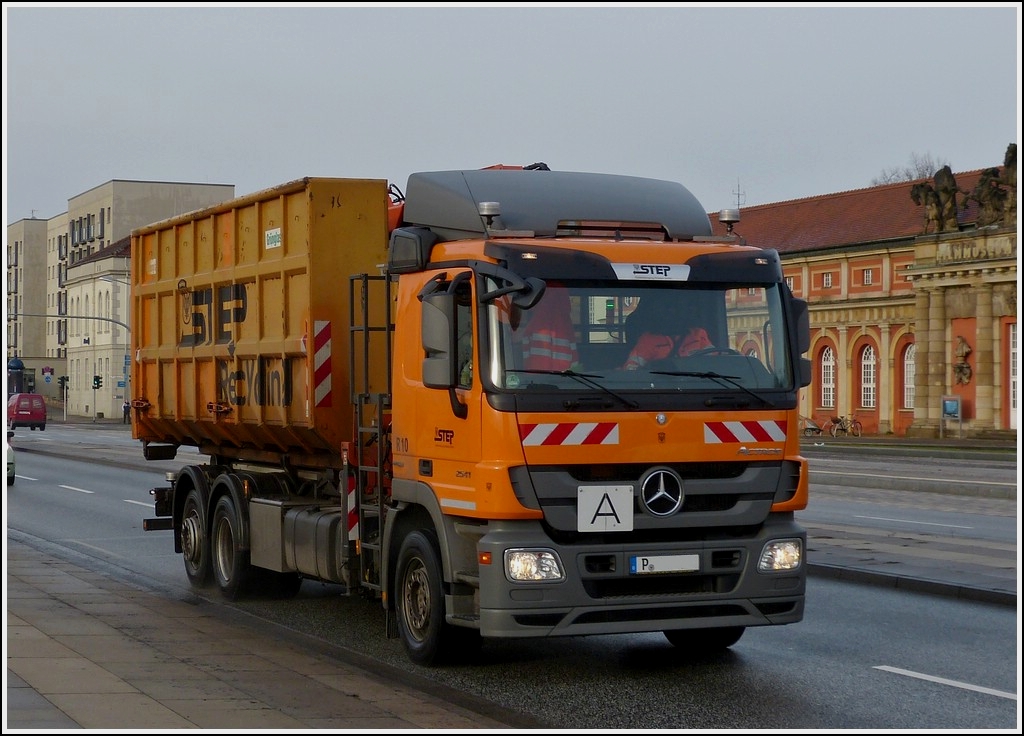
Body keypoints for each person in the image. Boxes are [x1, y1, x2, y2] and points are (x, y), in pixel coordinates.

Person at [623, 295, 712, 371]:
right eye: (669, 310)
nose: (674, 314)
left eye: (678, 309)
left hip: (695, 385)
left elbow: (715, 362)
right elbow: (631, 369)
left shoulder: (699, 335)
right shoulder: (647, 340)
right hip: (660, 387)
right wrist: (652, 368)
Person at [519, 283, 579, 371]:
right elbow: (573, 348)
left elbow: (525, 343)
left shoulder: (536, 319)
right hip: (564, 377)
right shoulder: (565, 321)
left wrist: (527, 369)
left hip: (536, 375)